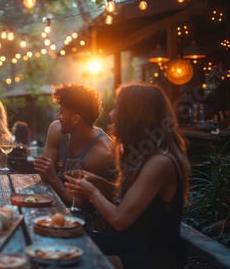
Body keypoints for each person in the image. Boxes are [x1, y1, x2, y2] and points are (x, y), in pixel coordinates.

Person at [65, 84, 190, 269]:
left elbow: (119, 219)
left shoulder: (161, 162)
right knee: (65, 237)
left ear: (134, 116)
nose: (111, 114)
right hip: (133, 243)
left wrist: (92, 192)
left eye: (117, 108)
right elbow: (139, 200)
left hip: (153, 258)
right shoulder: (151, 155)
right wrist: (99, 183)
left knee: (71, 256)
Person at [33, 82, 116, 213]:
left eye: (61, 112)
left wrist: (53, 178)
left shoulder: (102, 153)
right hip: (58, 206)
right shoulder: (56, 130)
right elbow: (45, 176)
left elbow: (78, 204)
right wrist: (49, 174)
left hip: (89, 220)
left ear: (76, 119)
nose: (57, 116)